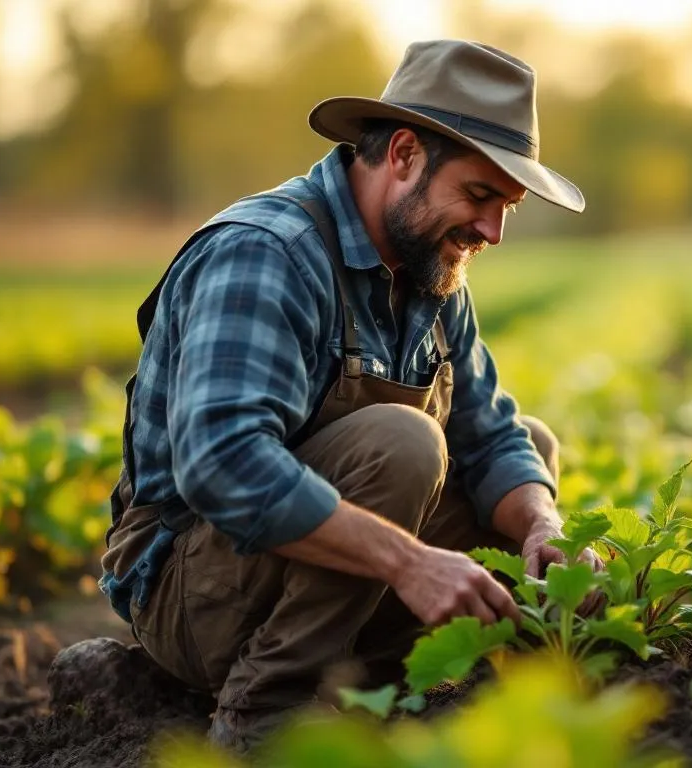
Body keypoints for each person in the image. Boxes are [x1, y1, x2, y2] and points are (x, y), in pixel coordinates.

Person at [96, 39, 600, 751]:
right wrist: (408, 562)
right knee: (403, 441)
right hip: (191, 589)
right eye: (481, 195)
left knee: (529, 466)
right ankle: (265, 710)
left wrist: (546, 527)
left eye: (507, 207)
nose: (491, 231)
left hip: (303, 579)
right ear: (402, 156)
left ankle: (368, 678)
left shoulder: (431, 265)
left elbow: (490, 433)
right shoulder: (267, 251)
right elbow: (222, 463)